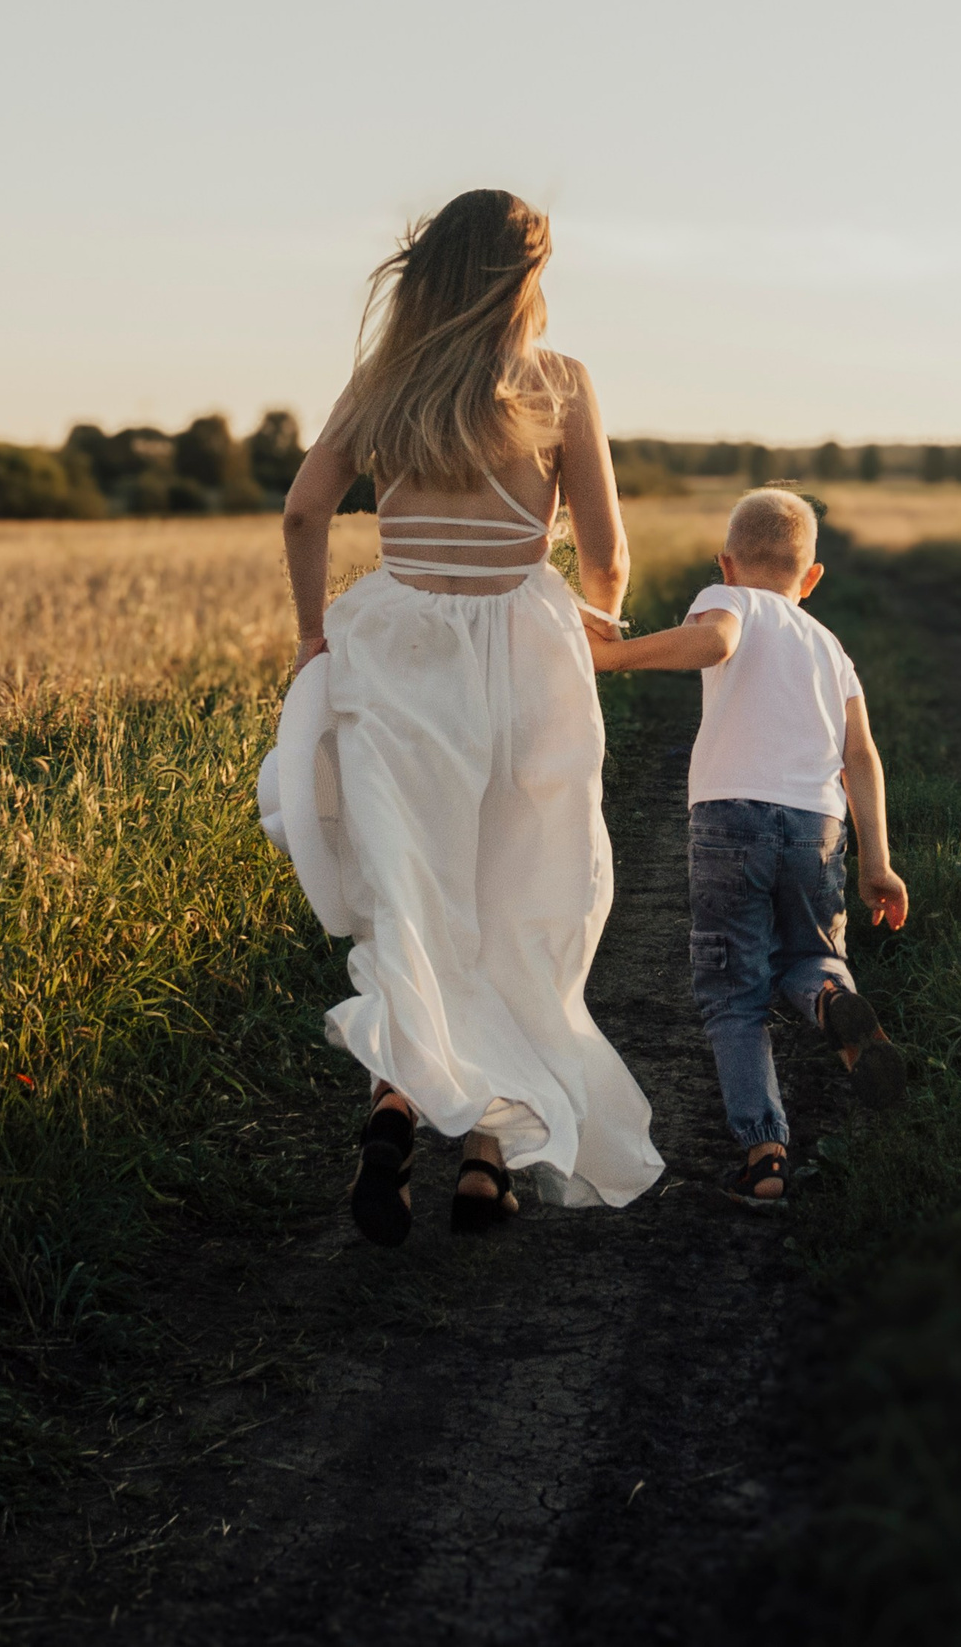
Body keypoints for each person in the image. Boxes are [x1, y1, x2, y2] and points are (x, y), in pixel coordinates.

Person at [278, 189, 665, 1246]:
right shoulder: (559, 381)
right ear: (523, 277)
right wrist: (596, 630)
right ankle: (489, 1164)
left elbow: (305, 508)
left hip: (398, 650)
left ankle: (394, 1106)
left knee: (413, 894)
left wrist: (312, 633)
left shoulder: (385, 381)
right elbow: (606, 551)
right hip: (524, 655)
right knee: (520, 895)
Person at [594, 488, 909, 1205]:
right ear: (812, 577)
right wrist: (877, 862)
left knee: (734, 994)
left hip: (730, 817)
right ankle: (831, 1000)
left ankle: (765, 1153)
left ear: (726, 564)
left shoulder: (727, 600)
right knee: (810, 956)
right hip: (815, 827)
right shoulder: (831, 647)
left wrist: (611, 658)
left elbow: (715, 643)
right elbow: (861, 755)